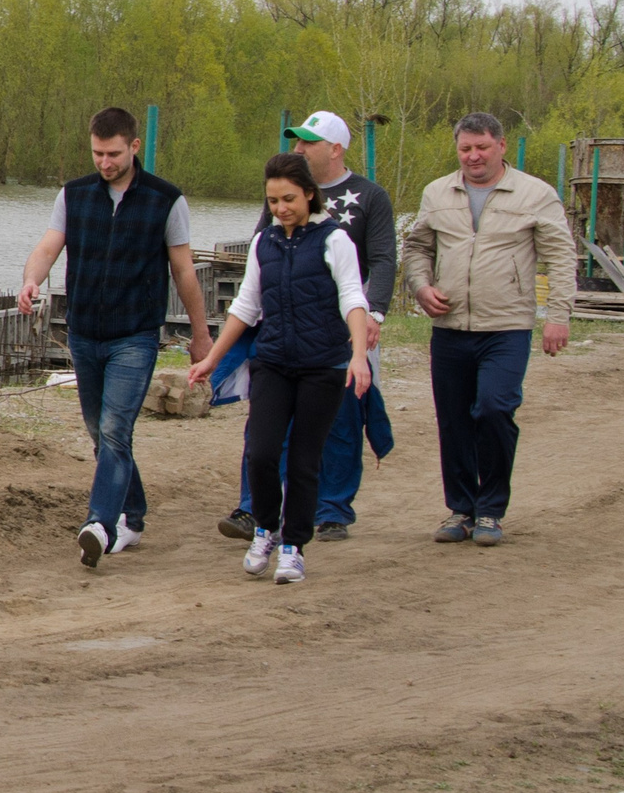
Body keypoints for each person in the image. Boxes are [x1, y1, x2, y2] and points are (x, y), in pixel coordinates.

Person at [16, 108, 212, 568]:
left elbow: (183, 272)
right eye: (97, 154)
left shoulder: (167, 200)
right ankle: (134, 515)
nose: (105, 163)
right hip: (84, 331)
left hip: (135, 335)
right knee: (99, 433)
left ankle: (100, 524)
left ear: (134, 147)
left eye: (114, 154)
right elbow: (49, 246)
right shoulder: (75, 195)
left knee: (114, 429)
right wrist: (31, 280)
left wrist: (200, 335)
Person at [186, 154, 375, 586]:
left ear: (310, 193)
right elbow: (247, 306)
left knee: (306, 461)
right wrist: (212, 359)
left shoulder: (335, 240)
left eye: (288, 199)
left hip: (322, 366)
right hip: (272, 363)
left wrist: (358, 355)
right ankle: (266, 529)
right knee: (263, 452)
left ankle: (293, 546)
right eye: (273, 201)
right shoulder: (263, 244)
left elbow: (352, 297)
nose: (281, 208)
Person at [217, 111, 396, 542]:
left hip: (340, 329)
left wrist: (374, 315)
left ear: (335, 149)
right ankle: (252, 508)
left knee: (341, 420)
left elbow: (385, 259)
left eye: (308, 142)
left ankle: (333, 508)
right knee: (266, 421)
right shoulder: (282, 192)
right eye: (296, 142)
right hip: (284, 328)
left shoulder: (369, 196)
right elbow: (264, 248)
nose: (298, 149)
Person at [400, 112, 576, 546]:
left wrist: (558, 315)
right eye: (465, 149)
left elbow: (562, 256)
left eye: (481, 147)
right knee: (454, 419)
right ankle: (461, 510)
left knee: (495, 409)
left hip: (507, 326)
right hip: (451, 326)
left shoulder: (536, 194)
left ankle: (491, 510)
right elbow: (417, 246)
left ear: (500, 145)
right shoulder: (438, 193)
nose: (473, 156)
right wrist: (421, 287)